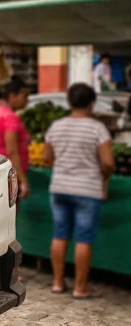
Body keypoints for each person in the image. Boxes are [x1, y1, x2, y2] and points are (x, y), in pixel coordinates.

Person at [44, 83, 115, 299]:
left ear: (69, 103)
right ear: (91, 104)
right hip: (88, 189)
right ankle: (80, 288)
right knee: (83, 238)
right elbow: (109, 162)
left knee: (59, 234)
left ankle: (57, 283)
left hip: (59, 187)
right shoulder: (97, 128)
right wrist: (104, 175)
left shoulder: (55, 126)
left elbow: (47, 158)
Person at [0, 76, 31, 200]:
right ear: (12, 96)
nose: (27, 101)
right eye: (24, 96)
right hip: (9, 175)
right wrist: (23, 181)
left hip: (0, 172)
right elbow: (12, 152)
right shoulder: (10, 118)